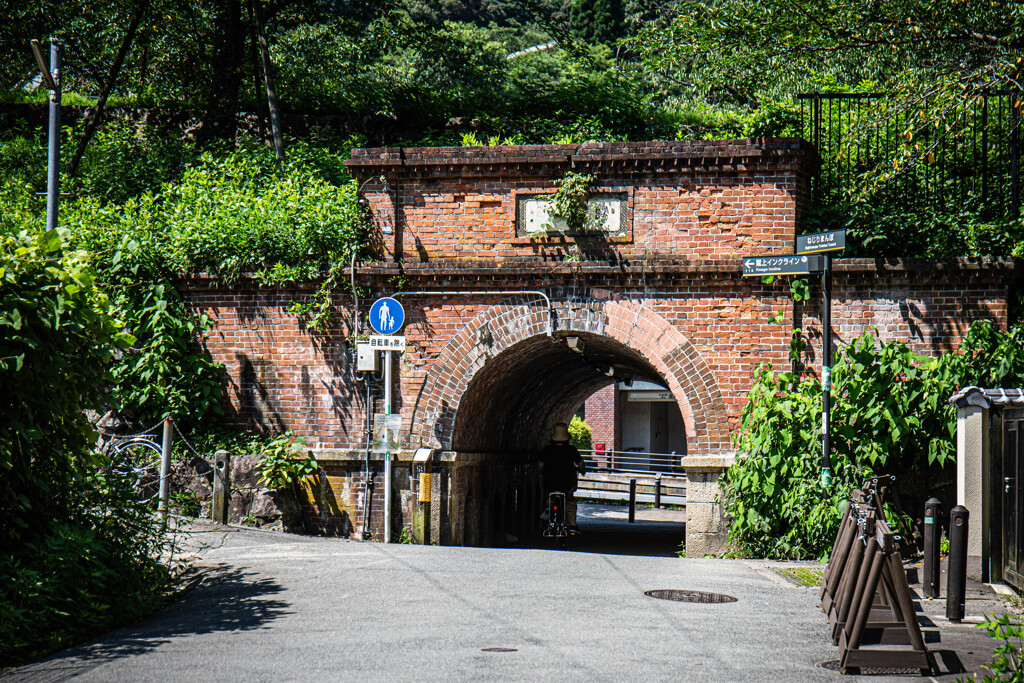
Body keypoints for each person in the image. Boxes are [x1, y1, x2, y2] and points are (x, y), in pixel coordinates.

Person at [540, 421, 586, 529]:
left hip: (550, 482)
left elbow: (540, 465)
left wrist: (541, 472)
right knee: (570, 502)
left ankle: (549, 511)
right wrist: (582, 470)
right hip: (567, 483)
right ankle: (573, 525)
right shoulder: (571, 449)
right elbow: (580, 463)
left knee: (550, 499)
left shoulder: (547, 449)